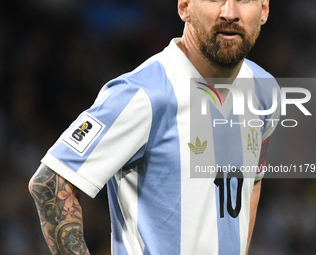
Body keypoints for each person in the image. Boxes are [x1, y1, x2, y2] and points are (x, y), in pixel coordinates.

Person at [29, 0, 280, 254]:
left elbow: (252, 184)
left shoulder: (264, 90)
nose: (230, 13)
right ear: (184, 7)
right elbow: (50, 182)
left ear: (264, 10)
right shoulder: (143, 93)